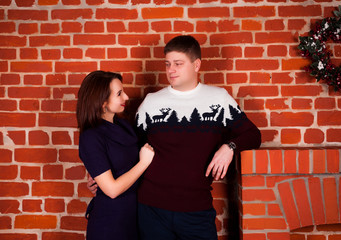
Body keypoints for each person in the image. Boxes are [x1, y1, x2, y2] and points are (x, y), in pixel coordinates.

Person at [88, 35, 261, 239]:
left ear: (196, 65)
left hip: (196, 210)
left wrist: (229, 147)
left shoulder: (219, 99)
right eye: (168, 64)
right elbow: (130, 149)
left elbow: (253, 134)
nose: (171, 70)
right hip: (151, 210)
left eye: (178, 64)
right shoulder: (152, 103)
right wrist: (100, 173)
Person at [77, 70, 155, 240]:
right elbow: (112, 190)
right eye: (119, 93)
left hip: (135, 216)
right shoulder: (91, 137)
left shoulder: (124, 126)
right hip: (111, 222)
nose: (126, 97)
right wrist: (143, 163)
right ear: (102, 101)